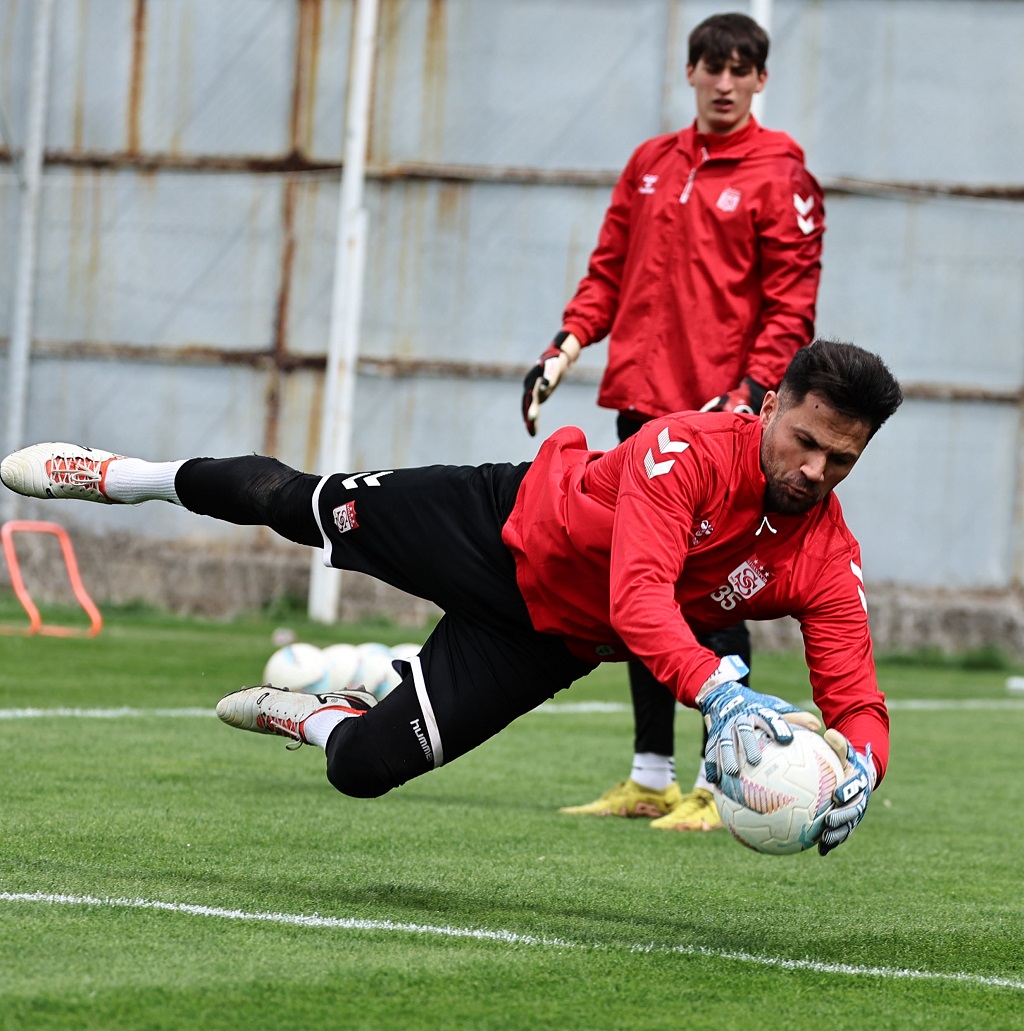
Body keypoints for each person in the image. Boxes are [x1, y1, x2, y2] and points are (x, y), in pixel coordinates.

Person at [1, 340, 901, 856]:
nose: (813, 471)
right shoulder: (688, 449)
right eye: (804, 441)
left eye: (841, 460)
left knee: (360, 768)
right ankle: (125, 475)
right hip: (495, 523)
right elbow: (641, 601)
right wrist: (723, 692)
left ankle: (318, 714)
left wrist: (860, 766)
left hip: (544, 638)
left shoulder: (828, 553)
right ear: (771, 405)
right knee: (291, 504)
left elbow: (857, 699)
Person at [521, 11, 825, 832]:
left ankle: (721, 785)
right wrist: (568, 341)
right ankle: (650, 775)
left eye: (740, 69)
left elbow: (791, 306)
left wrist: (750, 393)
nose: (723, 83)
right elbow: (607, 270)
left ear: (760, 81)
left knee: (715, 598)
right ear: (689, 73)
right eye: (710, 67)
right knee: (642, 592)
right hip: (643, 412)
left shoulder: (780, 175)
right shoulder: (651, 164)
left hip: (725, 426)